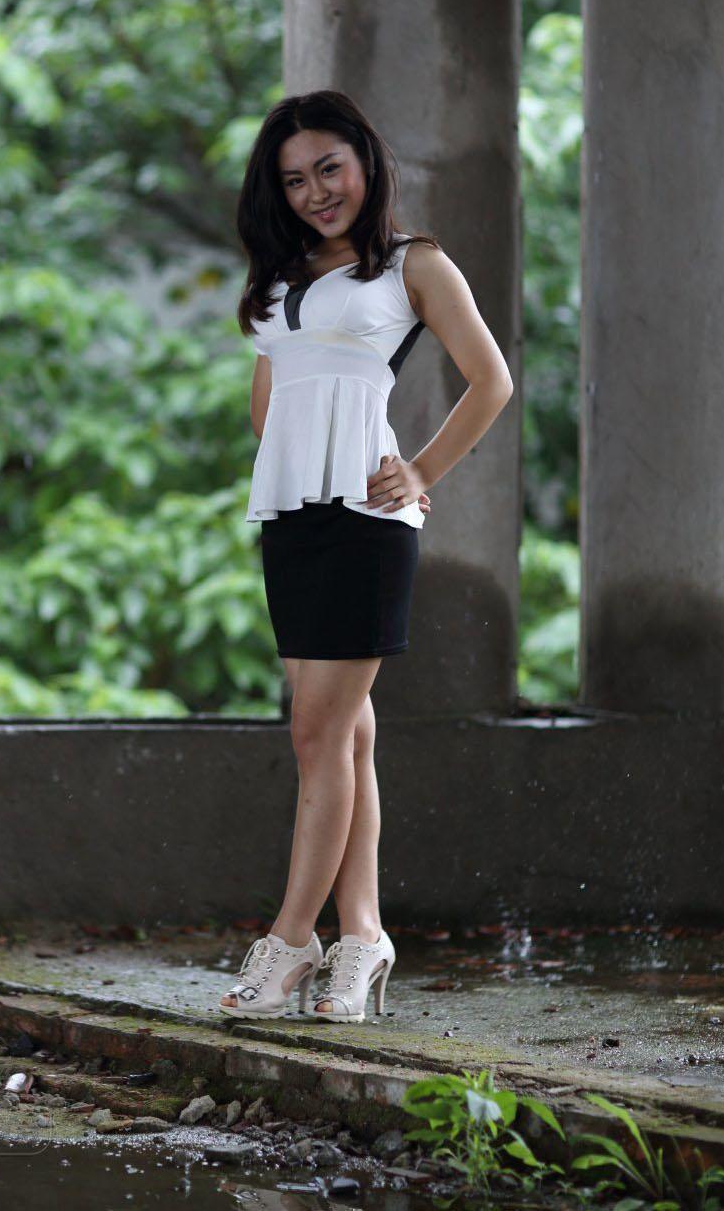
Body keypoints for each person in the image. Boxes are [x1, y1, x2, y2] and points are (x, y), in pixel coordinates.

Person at [218, 90, 513, 1023]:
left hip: (366, 517)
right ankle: (364, 938)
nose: (315, 191)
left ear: (366, 163)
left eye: (328, 168)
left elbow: (492, 379)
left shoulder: (412, 265)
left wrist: (419, 470)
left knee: (316, 734)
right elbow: (271, 396)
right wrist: (284, 458)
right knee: (346, 737)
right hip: (292, 518)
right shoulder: (282, 276)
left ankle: (292, 941)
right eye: (294, 179)